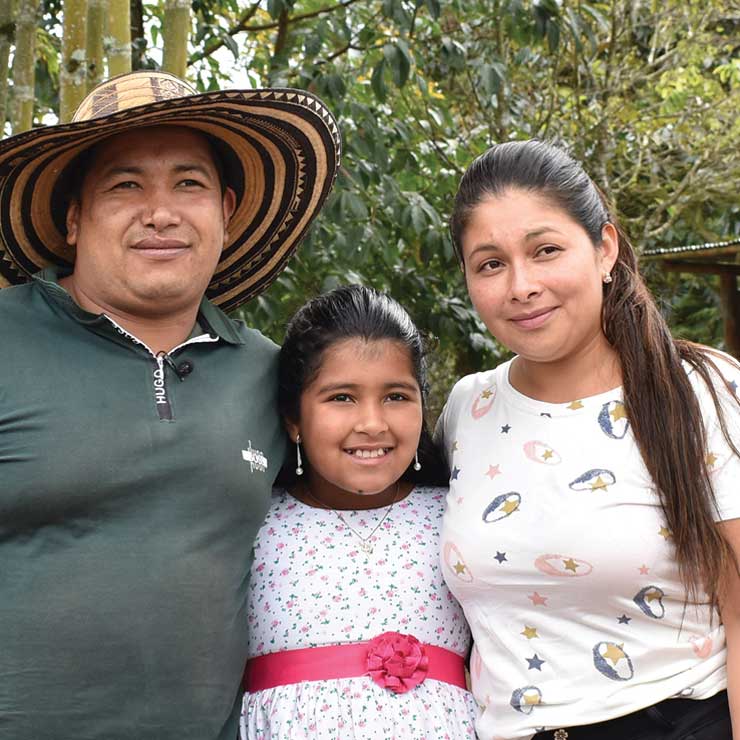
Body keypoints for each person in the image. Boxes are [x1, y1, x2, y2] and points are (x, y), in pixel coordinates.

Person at [0, 71, 340, 739]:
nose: (161, 213)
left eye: (189, 184)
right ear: (74, 218)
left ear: (227, 210)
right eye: (125, 186)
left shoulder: (274, 376)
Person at [438, 139, 740, 740]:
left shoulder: (701, 390)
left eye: (545, 250)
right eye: (490, 264)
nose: (521, 286)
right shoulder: (468, 407)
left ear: (604, 248)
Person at [240, 284, 478, 739]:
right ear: (293, 418)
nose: (372, 423)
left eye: (396, 396)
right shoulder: (253, 525)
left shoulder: (457, 519)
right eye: (342, 398)